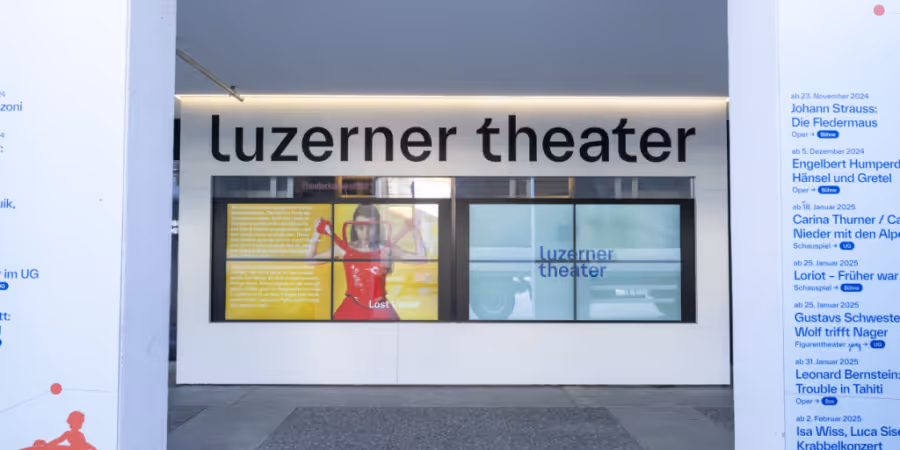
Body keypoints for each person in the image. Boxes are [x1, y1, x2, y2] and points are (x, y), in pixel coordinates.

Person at [306, 205, 425, 320]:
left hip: (380, 308)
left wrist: (415, 231)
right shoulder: (343, 249)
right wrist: (316, 233)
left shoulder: (387, 248)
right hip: (351, 308)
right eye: (360, 227)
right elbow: (310, 260)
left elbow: (421, 259)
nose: (365, 232)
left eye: (370, 227)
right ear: (354, 227)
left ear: (377, 227)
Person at [23, 411, 96, 450]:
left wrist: (93, 448)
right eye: (80, 422)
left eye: (81, 422)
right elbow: (58, 440)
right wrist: (46, 446)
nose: (81, 424)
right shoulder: (68, 433)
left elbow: (85, 444)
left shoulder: (80, 435)